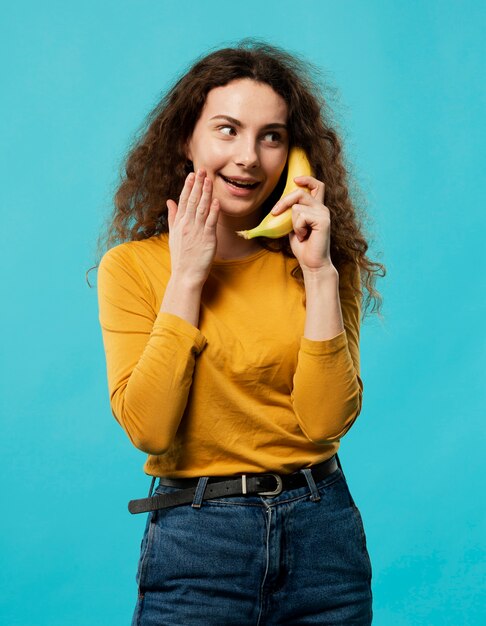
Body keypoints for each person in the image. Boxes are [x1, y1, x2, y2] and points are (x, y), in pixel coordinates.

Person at [93, 38, 385, 625]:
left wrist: (321, 274)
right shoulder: (131, 268)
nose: (249, 156)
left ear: (295, 153)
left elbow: (327, 422)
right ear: (187, 139)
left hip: (322, 534)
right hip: (198, 541)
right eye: (227, 130)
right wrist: (189, 279)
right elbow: (149, 429)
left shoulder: (325, 263)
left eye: (271, 135)